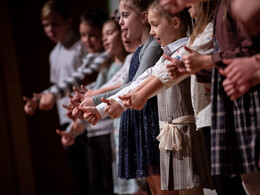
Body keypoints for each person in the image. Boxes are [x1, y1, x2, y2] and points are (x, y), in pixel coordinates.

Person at [23, 1, 89, 194]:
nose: (50, 29)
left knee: (95, 181)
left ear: (68, 22)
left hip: (87, 118)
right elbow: (58, 86)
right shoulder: (54, 54)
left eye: (55, 24)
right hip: (66, 120)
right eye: (45, 25)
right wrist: (38, 100)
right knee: (79, 178)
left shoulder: (81, 47)